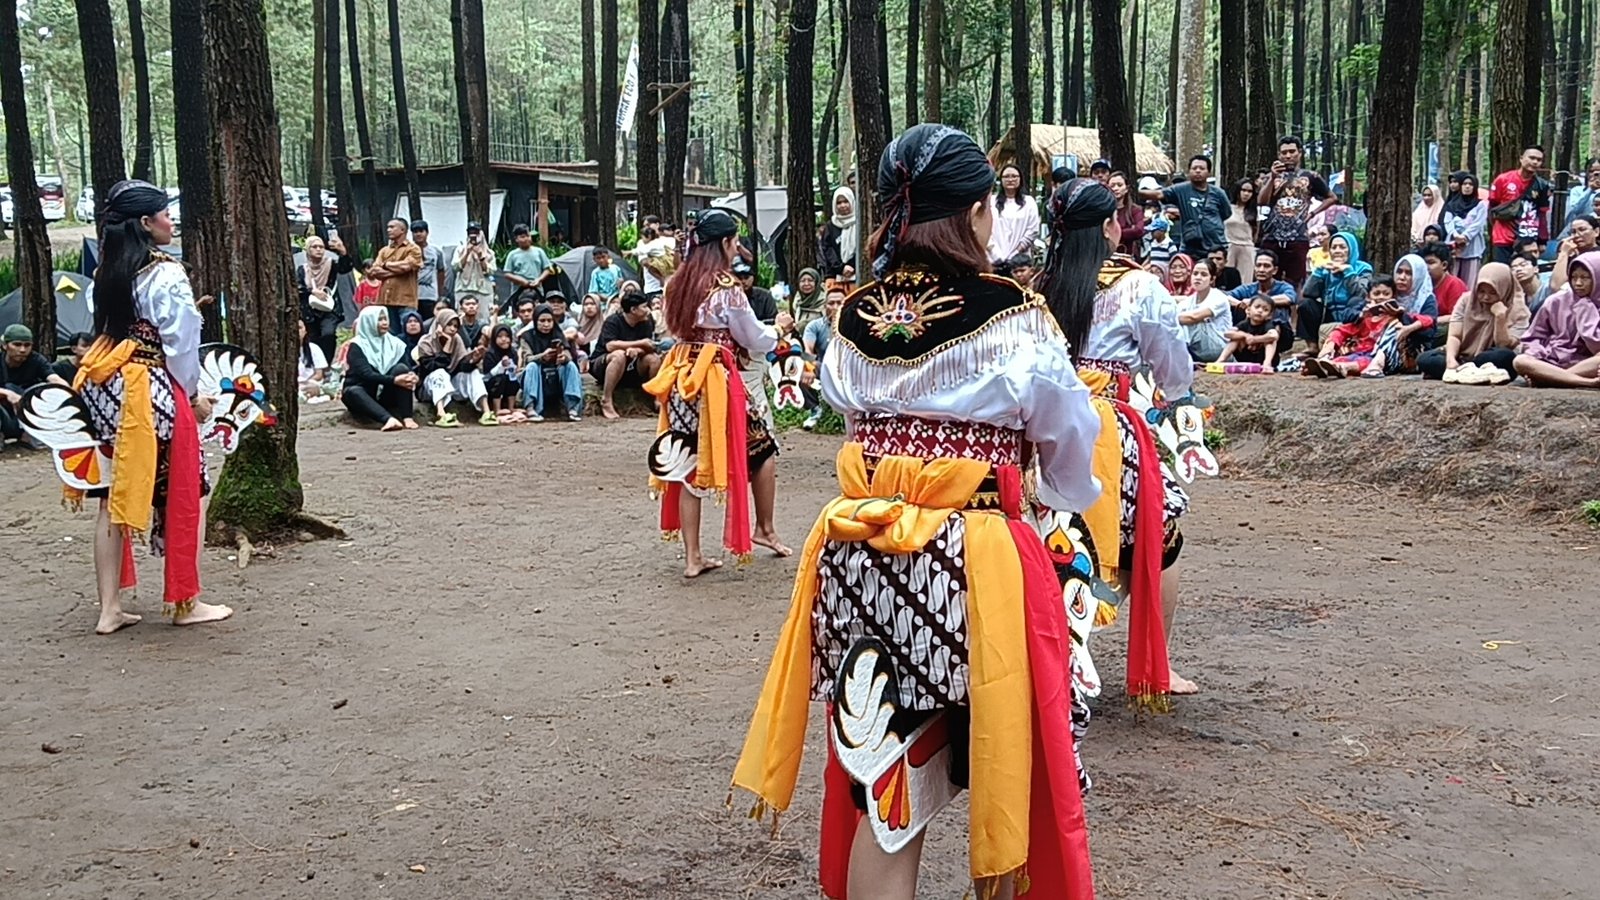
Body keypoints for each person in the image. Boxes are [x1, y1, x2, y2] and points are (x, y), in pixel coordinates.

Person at [733, 125, 1100, 900]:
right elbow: (1069, 438)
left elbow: (848, 408)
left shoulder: (853, 317)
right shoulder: (1014, 317)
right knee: (1005, 748)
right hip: (972, 563)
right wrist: (1058, 497)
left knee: (891, 779)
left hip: (858, 554)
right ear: (976, 212)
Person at [1043, 175, 1197, 699]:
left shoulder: (1037, 288)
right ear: (1111, 226)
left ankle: (1057, 654)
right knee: (1158, 537)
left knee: (1055, 539)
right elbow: (1173, 366)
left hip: (1047, 427)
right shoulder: (1138, 287)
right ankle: (1157, 664)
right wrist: (1172, 392)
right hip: (1112, 428)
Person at [56, 180, 232, 632]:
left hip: (105, 387)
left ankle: (109, 608)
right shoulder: (166, 274)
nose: (171, 222)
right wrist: (192, 394)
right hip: (150, 390)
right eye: (165, 214)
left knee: (112, 495)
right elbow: (181, 344)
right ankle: (186, 602)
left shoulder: (106, 272)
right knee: (187, 488)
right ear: (145, 222)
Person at [644, 209, 787, 573]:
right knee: (762, 445)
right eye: (734, 241)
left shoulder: (676, 283)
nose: (737, 248)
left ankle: (693, 556)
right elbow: (752, 336)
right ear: (724, 243)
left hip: (681, 376)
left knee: (688, 458)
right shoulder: (726, 288)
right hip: (715, 378)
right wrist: (779, 330)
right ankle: (765, 527)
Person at [1419, 263, 1529, 384]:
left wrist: (1500, 317)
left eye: (1493, 293)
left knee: (1504, 357)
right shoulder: (1467, 301)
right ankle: (1468, 371)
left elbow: (1503, 345)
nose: (1486, 297)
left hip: (1490, 358)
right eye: (1481, 291)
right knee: (1425, 359)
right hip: (1463, 356)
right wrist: (1450, 360)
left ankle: (1465, 372)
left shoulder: (1519, 311)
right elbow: (1455, 336)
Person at [1304, 276, 1424, 378]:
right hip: (1358, 351)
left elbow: (1427, 320)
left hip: (1380, 357)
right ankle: (1325, 366)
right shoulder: (1363, 317)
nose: (1381, 297)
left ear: (1393, 296)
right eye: (1376, 293)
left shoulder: (1398, 316)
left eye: (1386, 294)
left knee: (1362, 362)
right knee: (1343, 358)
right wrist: (1330, 345)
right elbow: (1344, 330)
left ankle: (1342, 368)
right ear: (1368, 297)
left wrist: (1401, 316)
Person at [1255, 135, 1335, 288]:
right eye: (1284, 153)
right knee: (1266, 280)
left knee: (1296, 282)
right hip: (1271, 236)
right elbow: (1262, 202)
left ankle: (1293, 304)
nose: (1288, 156)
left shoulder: (1311, 176)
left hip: (1298, 237)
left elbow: (1331, 197)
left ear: (1300, 153)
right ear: (1279, 155)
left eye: (1292, 152)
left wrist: (1312, 213)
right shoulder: (1270, 177)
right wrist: (1272, 178)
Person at [1512, 251, 1600, 388]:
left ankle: (1552, 379)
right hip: (1551, 360)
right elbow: (1533, 337)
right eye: (1574, 277)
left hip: (1585, 363)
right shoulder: (1556, 301)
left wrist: (1586, 311)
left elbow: (1596, 347)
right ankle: (1585, 382)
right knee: (1520, 361)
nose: (1578, 283)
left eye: (1585, 278)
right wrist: (1537, 354)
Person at [412, 307, 495, 427]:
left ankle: (486, 412)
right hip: (428, 388)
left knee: (474, 373)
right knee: (440, 373)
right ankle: (441, 414)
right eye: (449, 324)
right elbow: (431, 368)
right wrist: (447, 347)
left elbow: (461, 367)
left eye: (455, 326)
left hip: (450, 384)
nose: (452, 329)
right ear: (440, 325)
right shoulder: (426, 342)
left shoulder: (457, 339)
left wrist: (474, 360)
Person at [342, 305, 419, 431]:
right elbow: (366, 374)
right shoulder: (357, 345)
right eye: (379, 319)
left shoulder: (395, 344)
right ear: (368, 322)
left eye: (385, 319)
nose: (384, 323)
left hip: (386, 393)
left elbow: (406, 366)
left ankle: (407, 417)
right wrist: (394, 380)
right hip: (365, 393)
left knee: (401, 369)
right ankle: (388, 419)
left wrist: (412, 376)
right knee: (353, 391)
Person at [1143, 154, 1232, 259]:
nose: (1198, 171)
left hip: (1215, 246)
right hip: (1190, 246)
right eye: (1194, 168)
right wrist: (1133, 190)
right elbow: (1159, 194)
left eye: (1202, 168)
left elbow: (1226, 214)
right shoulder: (1181, 190)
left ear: (1209, 172)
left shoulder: (1218, 193)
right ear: (1189, 171)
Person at [593, 291, 661, 419]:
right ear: (633, 310)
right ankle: (606, 400)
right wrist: (638, 344)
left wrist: (638, 350)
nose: (648, 310)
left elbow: (648, 347)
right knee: (619, 355)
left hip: (632, 366)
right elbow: (610, 346)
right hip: (605, 364)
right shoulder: (613, 321)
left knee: (654, 359)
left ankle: (656, 398)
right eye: (644, 306)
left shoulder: (646, 321)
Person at [1, 323, 68, 444]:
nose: (22, 350)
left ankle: (28, 434)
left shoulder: (36, 359)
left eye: (27, 345)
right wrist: (7, 393)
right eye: (17, 344)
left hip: (29, 410)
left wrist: (69, 392)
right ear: (5, 345)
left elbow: (53, 378)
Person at [1488, 145, 1551, 264]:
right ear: (1521, 158)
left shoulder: (1542, 185)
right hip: (1503, 237)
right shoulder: (1503, 179)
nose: (1535, 162)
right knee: (1503, 271)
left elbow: (1542, 214)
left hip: (1528, 239)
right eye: (1531, 158)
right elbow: (1493, 206)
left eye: (1539, 160)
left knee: (1525, 271)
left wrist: (1542, 240)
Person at [520, 304, 583, 422]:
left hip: (556, 375)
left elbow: (568, 354)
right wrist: (542, 357)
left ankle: (572, 408)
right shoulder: (527, 337)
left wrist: (563, 357)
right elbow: (527, 359)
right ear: (535, 321)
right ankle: (531, 407)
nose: (546, 324)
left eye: (549, 321)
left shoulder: (558, 334)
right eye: (542, 321)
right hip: (537, 376)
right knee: (532, 366)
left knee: (570, 366)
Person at [297, 233, 355, 362]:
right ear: (308, 249)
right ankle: (314, 364)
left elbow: (345, 268)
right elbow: (298, 287)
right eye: (314, 247)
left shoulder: (331, 264)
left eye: (321, 247)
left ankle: (327, 363)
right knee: (312, 338)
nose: (318, 249)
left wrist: (343, 252)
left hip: (329, 309)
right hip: (309, 311)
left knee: (328, 334)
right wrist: (312, 291)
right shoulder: (302, 269)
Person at [370, 218, 423, 333]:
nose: (388, 230)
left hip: (405, 300)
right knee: (389, 334)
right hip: (385, 300)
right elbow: (374, 271)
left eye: (392, 227)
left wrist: (386, 265)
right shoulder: (384, 250)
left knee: (408, 332)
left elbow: (407, 266)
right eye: (388, 227)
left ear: (402, 230)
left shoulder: (413, 249)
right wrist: (397, 271)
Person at [1229, 249, 1298, 333]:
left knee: (1277, 308)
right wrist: (1240, 304)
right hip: (1248, 329)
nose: (1261, 270)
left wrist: (1253, 302)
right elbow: (1226, 297)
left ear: (1275, 270)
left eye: (1266, 266)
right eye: (1258, 265)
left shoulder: (1283, 287)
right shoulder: (1248, 288)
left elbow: (1289, 298)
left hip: (1276, 332)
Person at [1177, 258, 1233, 362]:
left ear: (1212, 279)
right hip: (1196, 354)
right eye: (1195, 274)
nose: (1198, 277)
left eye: (1203, 275)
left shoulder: (1219, 297)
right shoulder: (1187, 302)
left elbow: (1194, 317)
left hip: (1220, 353)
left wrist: (1169, 317)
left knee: (1196, 320)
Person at [1219, 294, 1292, 368]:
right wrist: (1245, 335)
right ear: (1248, 310)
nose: (1260, 311)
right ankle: (1220, 360)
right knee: (1235, 338)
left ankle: (1267, 364)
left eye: (1265, 310)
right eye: (1257, 307)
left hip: (1263, 357)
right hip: (1246, 357)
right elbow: (1227, 333)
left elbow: (1274, 335)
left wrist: (1255, 339)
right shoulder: (1244, 324)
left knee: (1270, 340)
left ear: (1269, 315)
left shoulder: (1268, 324)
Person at [1441, 171, 1488, 286]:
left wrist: (1465, 236)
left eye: (1470, 184)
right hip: (1454, 246)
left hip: (1472, 246)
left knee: (1470, 280)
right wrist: (1455, 234)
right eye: (1464, 184)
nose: (1467, 187)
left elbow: (1478, 223)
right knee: (1453, 276)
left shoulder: (1480, 205)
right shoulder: (1452, 204)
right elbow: (1447, 221)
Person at [987, 162, 1041, 263]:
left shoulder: (1029, 202)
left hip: (1019, 261)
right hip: (993, 259)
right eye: (1006, 176)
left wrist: (1015, 254)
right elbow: (984, 229)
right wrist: (996, 255)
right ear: (1001, 180)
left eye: (1014, 176)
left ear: (1020, 179)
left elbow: (1032, 231)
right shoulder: (991, 202)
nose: (1010, 179)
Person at [503, 224, 557, 310]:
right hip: (518, 290)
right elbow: (507, 273)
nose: (526, 239)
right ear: (516, 239)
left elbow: (547, 269)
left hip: (537, 288)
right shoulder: (512, 255)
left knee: (538, 310)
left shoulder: (539, 252)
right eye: (522, 237)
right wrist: (521, 281)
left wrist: (539, 280)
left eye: (528, 236)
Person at [480, 324, 525, 421]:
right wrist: (501, 365)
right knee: (500, 378)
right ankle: (497, 409)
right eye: (500, 336)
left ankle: (511, 407)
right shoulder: (490, 353)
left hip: (507, 383)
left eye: (507, 336)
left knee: (513, 378)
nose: (504, 339)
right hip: (492, 384)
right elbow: (488, 374)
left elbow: (513, 368)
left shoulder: (512, 352)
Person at [451, 221, 498, 313]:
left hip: (483, 291)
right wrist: (466, 253)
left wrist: (481, 257)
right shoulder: (460, 250)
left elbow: (491, 271)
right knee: (462, 316)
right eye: (470, 233)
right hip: (463, 289)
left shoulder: (489, 253)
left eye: (476, 232)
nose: (473, 235)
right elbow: (455, 267)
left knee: (484, 317)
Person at [1548, 215, 1599, 292]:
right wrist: (1564, 253)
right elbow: (1555, 286)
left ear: (1596, 232)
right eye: (1573, 232)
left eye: (1582, 230)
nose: (1577, 235)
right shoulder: (1570, 256)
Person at [817, 186, 858, 279]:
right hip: (836, 276)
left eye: (846, 201)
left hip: (858, 273)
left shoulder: (859, 223)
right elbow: (827, 248)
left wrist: (852, 265)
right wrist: (841, 268)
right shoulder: (830, 226)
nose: (843, 205)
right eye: (839, 203)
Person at [410, 220, 448, 320]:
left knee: (429, 321)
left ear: (427, 232)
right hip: (412, 296)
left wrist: (440, 292)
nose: (418, 234)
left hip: (430, 294)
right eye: (415, 232)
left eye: (421, 231)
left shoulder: (436, 251)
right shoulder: (407, 251)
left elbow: (441, 271)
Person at [1421, 242, 1469, 320]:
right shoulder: (1421, 285)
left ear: (1444, 265)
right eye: (1423, 263)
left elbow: (1457, 316)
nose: (1426, 267)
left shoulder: (1455, 284)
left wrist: (1427, 321)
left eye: (1431, 263)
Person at [1223, 177, 1259, 275]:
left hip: (1247, 247)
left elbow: (1255, 235)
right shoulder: (1227, 208)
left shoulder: (1254, 212)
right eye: (1243, 190)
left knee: (1245, 278)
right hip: (1229, 246)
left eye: (1250, 191)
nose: (1246, 194)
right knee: (1227, 277)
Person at [1109, 171, 1147, 258]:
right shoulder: (1103, 210)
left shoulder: (1135, 210)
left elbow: (1139, 230)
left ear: (1126, 188)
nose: (1115, 188)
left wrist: (1114, 233)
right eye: (1112, 186)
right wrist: (1129, 230)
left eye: (1119, 185)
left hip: (1127, 256)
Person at [1511, 248, 1556, 314]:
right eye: (1513, 268)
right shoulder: (1518, 298)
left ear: (1536, 269)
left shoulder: (1548, 288)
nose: (1518, 269)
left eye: (1523, 265)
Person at [732, 256, 778, 322]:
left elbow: (774, 320)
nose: (743, 281)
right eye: (739, 278)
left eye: (746, 277)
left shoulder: (765, 296)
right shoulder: (729, 298)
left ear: (753, 278)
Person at [297, 320, 330, 400]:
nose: (297, 331)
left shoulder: (314, 348)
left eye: (300, 328)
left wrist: (305, 382)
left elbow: (319, 375)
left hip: (308, 384)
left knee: (313, 387)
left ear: (305, 331)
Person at [788, 266, 825, 331]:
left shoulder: (825, 301)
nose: (806, 284)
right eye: (802, 281)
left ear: (816, 282)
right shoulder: (797, 301)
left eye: (810, 280)